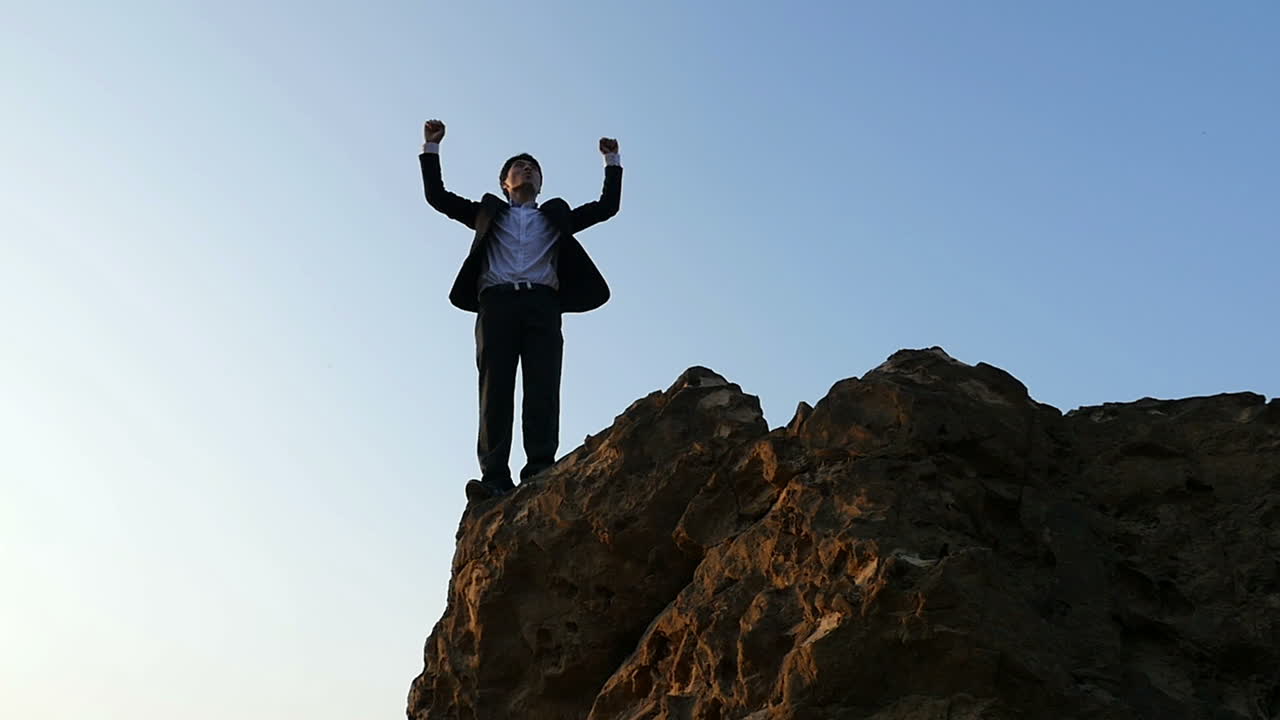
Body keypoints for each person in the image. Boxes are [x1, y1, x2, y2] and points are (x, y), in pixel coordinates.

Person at [418, 119, 623, 502]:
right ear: (505, 183)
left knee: (542, 386)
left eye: (534, 168)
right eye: (518, 167)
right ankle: (494, 476)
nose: (527, 169)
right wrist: (431, 148)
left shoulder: (555, 216)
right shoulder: (486, 213)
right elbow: (438, 197)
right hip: (496, 304)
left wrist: (612, 161)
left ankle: (540, 468)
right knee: (495, 389)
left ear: (541, 185)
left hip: (543, 305)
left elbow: (606, 207)